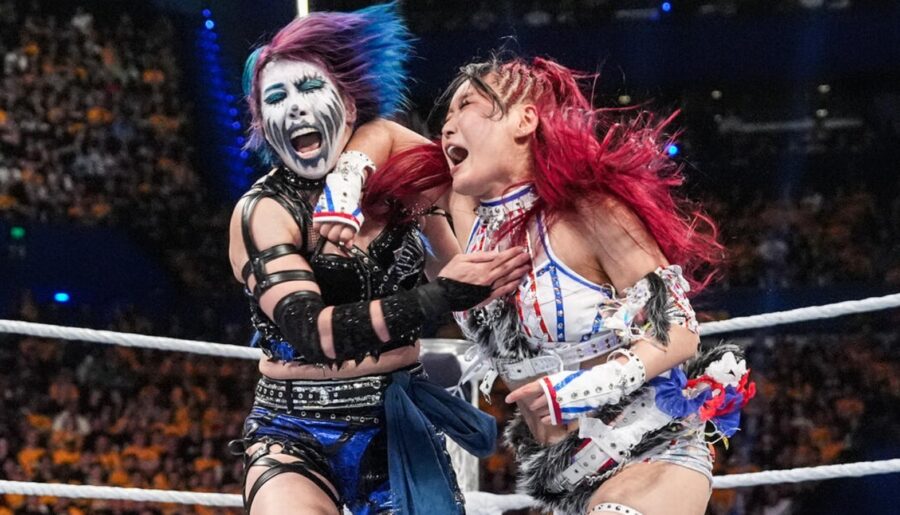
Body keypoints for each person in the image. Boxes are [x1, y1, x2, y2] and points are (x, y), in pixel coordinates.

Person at [228, 6, 531, 515]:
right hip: (293, 428)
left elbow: (454, 185)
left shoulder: (401, 186)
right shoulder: (264, 210)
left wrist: (353, 171)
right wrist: (443, 294)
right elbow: (315, 334)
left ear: (350, 107)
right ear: (264, 123)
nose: (296, 108)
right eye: (276, 98)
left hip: (395, 422)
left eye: (310, 89)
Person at [434, 55, 755, 515]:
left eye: (465, 105)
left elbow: (679, 330)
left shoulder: (590, 212)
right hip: (562, 481)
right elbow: (387, 140)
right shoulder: (476, 229)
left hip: (649, 458)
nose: (446, 126)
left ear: (525, 120)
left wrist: (586, 386)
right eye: (444, 115)